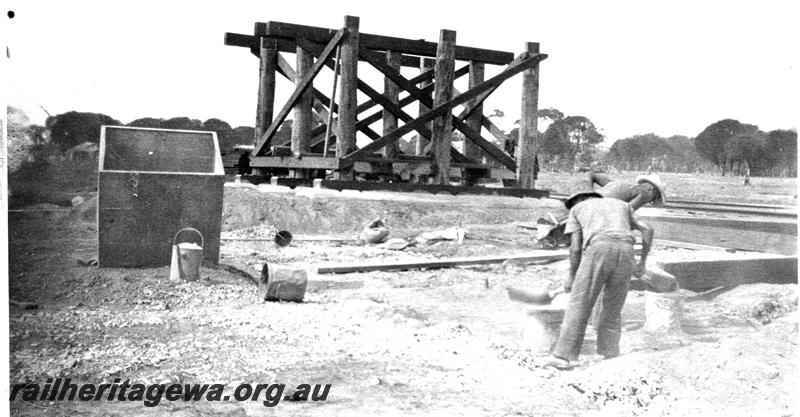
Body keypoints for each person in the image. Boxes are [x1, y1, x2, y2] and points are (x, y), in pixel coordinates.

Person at [539, 180, 654, 369]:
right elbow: (647, 229)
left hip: (599, 249)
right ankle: (609, 352)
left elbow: (575, 249)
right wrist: (642, 262)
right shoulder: (622, 205)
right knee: (613, 305)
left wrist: (573, 276)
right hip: (627, 251)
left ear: (577, 199)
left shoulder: (577, 210)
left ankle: (563, 356)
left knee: (579, 302)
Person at [588, 172, 667, 210]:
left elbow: (591, 175)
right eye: (657, 197)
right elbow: (627, 211)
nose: (652, 200)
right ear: (653, 189)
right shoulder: (647, 193)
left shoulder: (619, 184)